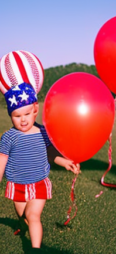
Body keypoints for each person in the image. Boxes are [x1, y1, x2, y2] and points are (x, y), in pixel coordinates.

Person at [0, 82, 80, 253]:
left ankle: (36, 249)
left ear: (35, 110)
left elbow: (51, 153)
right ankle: (22, 226)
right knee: (23, 216)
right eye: (17, 115)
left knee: (33, 216)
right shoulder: (8, 137)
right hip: (17, 184)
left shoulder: (43, 132)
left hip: (38, 183)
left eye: (27, 114)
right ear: (10, 116)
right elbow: (2, 160)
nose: (23, 120)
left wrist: (64, 162)